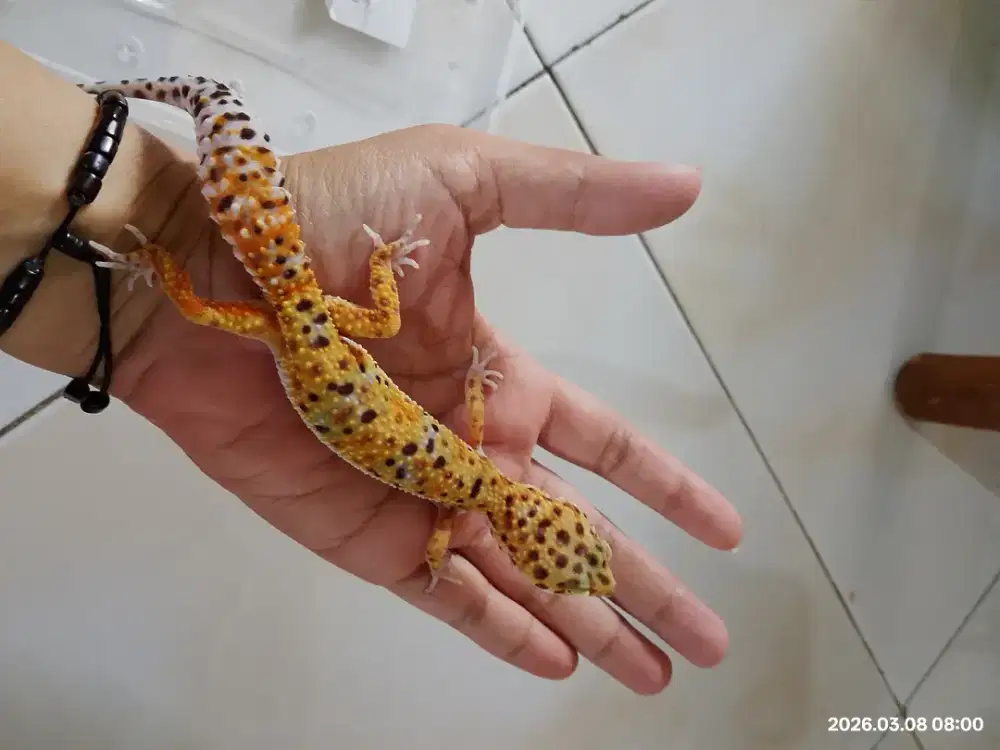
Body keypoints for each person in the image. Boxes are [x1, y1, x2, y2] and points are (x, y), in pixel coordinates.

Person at [0, 41, 742, 695]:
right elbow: (435, 544)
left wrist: (464, 364)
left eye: (568, 561)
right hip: (296, 334)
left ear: (551, 520)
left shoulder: (479, 459)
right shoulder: (453, 513)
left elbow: (472, 411)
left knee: (372, 320)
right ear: (521, 547)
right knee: (193, 308)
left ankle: (199, 219)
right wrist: (435, 567)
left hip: (322, 324)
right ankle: (156, 255)